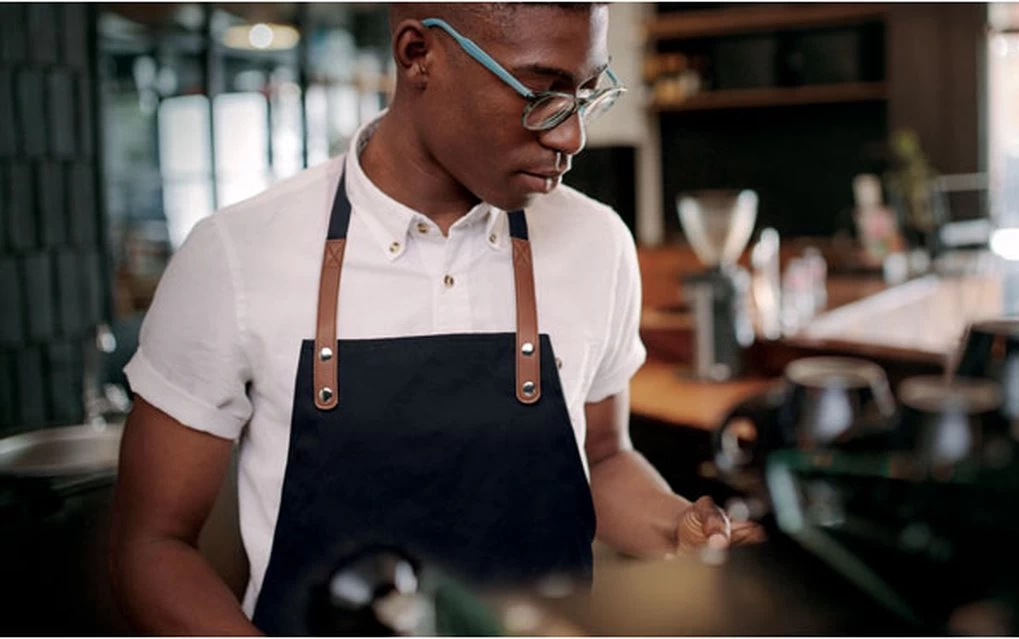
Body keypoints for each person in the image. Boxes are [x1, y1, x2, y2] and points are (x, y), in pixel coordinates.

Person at [109, 3, 763, 634]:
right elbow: (153, 546)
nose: (572, 136)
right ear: (419, 54)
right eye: (541, 93)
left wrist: (679, 528)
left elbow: (605, 456)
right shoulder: (236, 254)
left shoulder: (599, 242)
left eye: (587, 94)